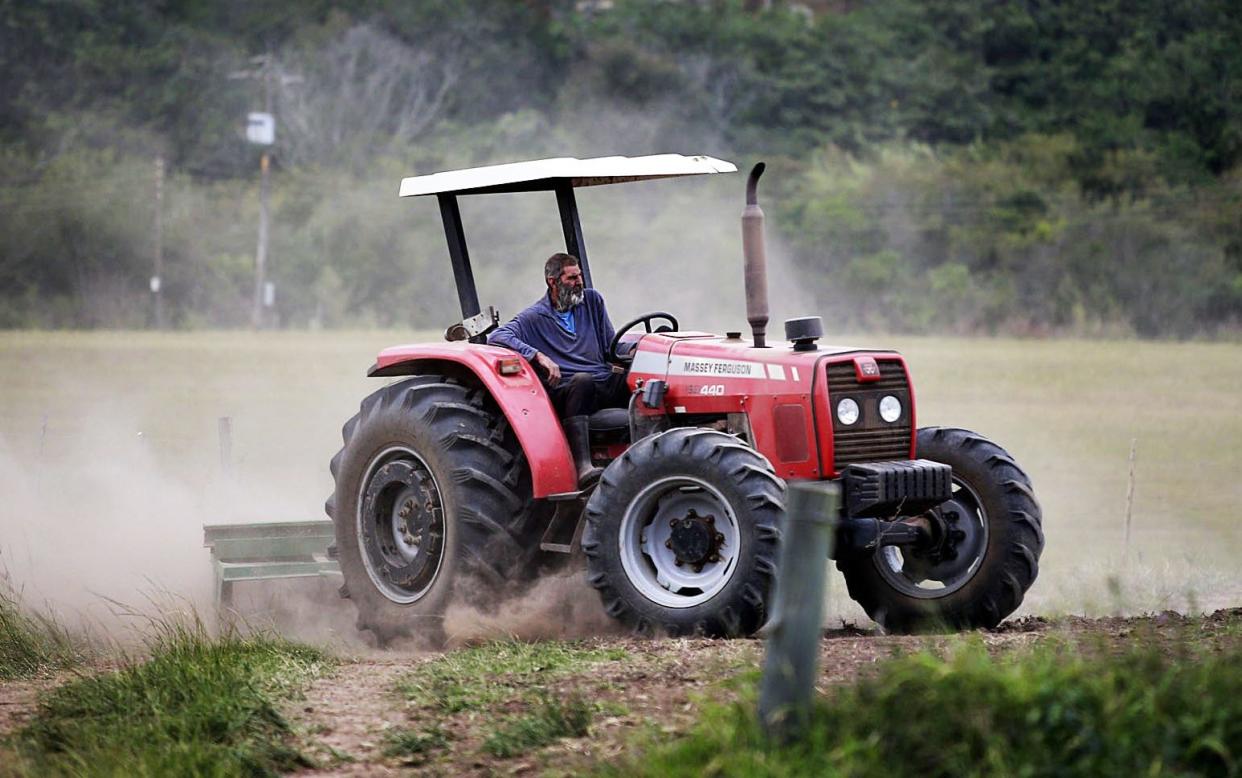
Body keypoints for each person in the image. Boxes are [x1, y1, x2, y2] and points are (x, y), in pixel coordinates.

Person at [488, 252, 629, 487]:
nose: (579, 283)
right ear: (552, 282)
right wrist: (537, 355)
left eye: (580, 276)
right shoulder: (534, 317)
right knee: (582, 381)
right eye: (572, 278)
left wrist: (641, 350)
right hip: (570, 390)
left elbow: (610, 345)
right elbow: (498, 336)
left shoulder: (592, 302)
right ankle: (583, 465)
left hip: (601, 381)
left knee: (636, 377)